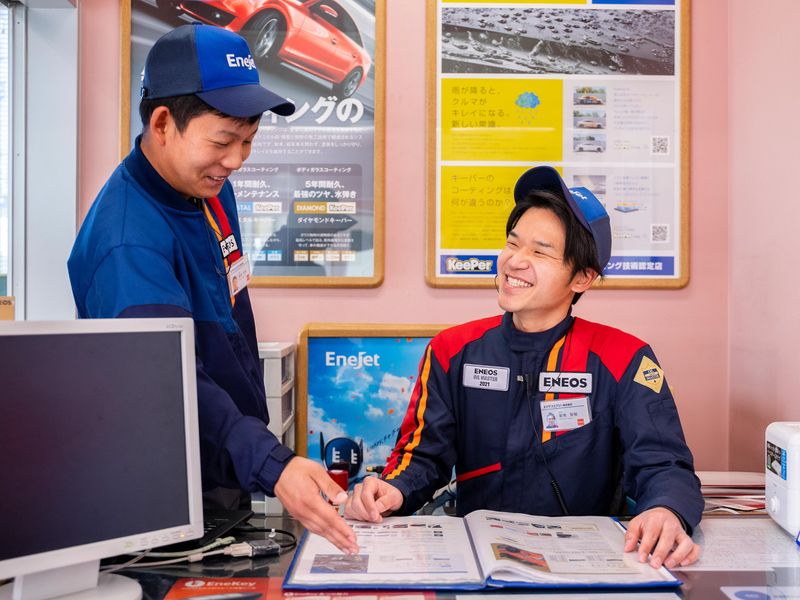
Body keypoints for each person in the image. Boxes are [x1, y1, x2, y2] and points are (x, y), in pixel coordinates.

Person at [68, 24, 357, 554]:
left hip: (225, 462)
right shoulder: (128, 243)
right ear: (162, 123)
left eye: (248, 141)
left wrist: (258, 451)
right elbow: (165, 381)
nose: (237, 160)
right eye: (223, 142)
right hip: (163, 488)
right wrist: (273, 463)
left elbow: (230, 316)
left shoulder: (208, 190)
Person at [345, 166, 702, 568]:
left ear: (582, 278)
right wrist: (391, 489)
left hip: (585, 568)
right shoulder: (452, 350)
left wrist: (667, 509)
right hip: (481, 565)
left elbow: (663, 462)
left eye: (540, 252)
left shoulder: (624, 357)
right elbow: (422, 456)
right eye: (512, 244)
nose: (514, 261)